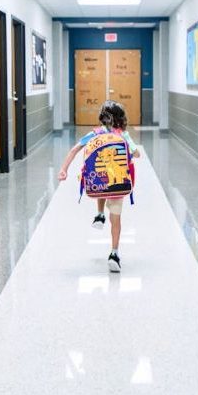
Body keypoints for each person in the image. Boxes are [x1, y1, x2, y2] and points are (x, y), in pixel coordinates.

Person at [58, 100, 140, 272]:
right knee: (116, 219)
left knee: (101, 181)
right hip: (118, 183)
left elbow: (74, 149)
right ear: (120, 118)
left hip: (98, 182)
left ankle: (100, 214)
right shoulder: (123, 135)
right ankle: (114, 253)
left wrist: (63, 170)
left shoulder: (94, 133)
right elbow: (136, 154)